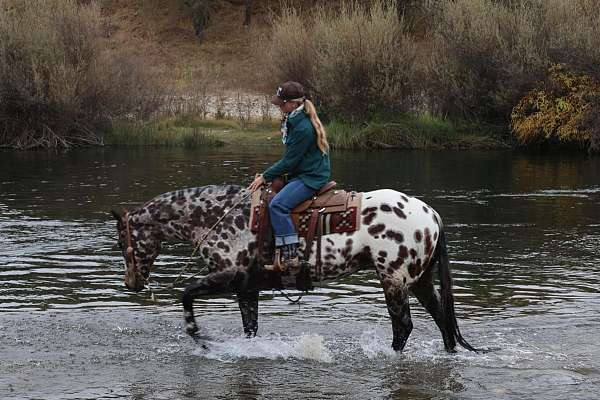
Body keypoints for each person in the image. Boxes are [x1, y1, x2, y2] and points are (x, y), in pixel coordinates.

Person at [248, 81, 331, 271]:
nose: (279, 107)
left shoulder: (302, 128)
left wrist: (265, 176)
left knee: (278, 205)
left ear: (294, 104)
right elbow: (290, 160)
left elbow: (289, 162)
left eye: (282, 104)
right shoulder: (295, 119)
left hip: (310, 177)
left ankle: (291, 255)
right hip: (303, 172)